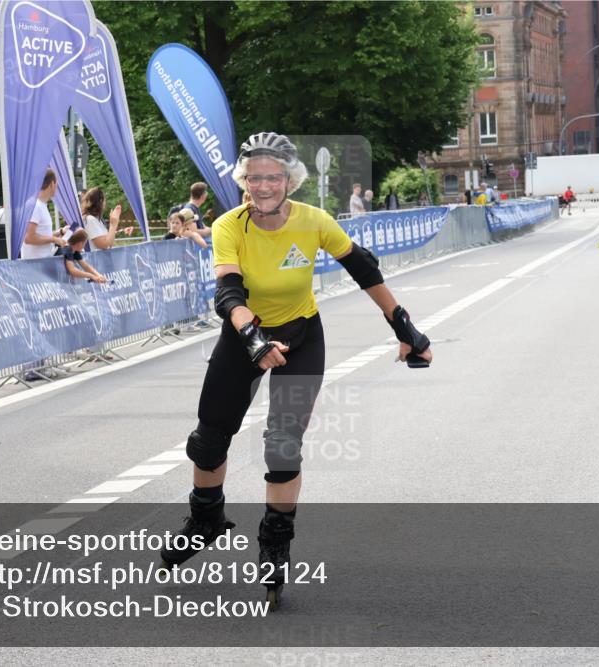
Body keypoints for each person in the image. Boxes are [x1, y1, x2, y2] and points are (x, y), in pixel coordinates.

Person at [158, 132, 433, 610]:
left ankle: (275, 541)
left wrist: (404, 326)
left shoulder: (313, 221)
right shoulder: (228, 226)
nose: (263, 185)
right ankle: (205, 519)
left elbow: (363, 268)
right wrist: (252, 339)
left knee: (282, 445)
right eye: (254, 177)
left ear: (290, 180)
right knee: (208, 441)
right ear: (243, 180)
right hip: (245, 335)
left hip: (302, 337)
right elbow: (228, 294)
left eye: (274, 176)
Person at [20, 169, 67, 259]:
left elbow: (40, 235)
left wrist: (60, 232)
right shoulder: (35, 206)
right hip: (35, 267)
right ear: (52, 184)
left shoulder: (40, 205)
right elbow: (29, 238)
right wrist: (55, 239)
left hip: (42, 264)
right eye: (57, 183)